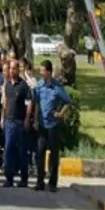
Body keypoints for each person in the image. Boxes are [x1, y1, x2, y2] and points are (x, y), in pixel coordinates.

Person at [32, 59, 72, 192]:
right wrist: (35, 120)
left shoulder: (57, 87)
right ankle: (40, 182)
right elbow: (37, 103)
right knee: (40, 153)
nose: (41, 73)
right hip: (42, 124)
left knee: (54, 154)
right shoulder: (39, 86)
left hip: (53, 125)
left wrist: (60, 113)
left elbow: (68, 101)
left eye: (43, 70)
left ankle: (52, 183)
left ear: (49, 72)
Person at [1, 59, 33, 188]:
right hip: (9, 121)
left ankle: (24, 179)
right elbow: (5, 103)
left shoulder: (23, 85)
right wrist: (2, 118)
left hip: (20, 122)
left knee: (21, 152)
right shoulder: (7, 85)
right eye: (10, 68)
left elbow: (29, 102)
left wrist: (27, 118)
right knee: (8, 150)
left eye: (14, 68)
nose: (12, 71)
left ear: (18, 70)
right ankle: (9, 178)